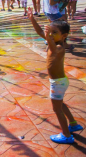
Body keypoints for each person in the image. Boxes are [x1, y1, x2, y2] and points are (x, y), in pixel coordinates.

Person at [27, 8, 83, 143]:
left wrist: (47, 35)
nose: (50, 35)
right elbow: (40, 32)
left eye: (54, 33)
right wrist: (32, 19)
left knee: (56, 109)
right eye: (50, 32)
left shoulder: (59, 47)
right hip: (59, 82)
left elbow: (51, 45)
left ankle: (66, 135)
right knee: (60, 104)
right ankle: (74, 124)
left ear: (64, 36)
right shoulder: (53, 41)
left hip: (57, 83)